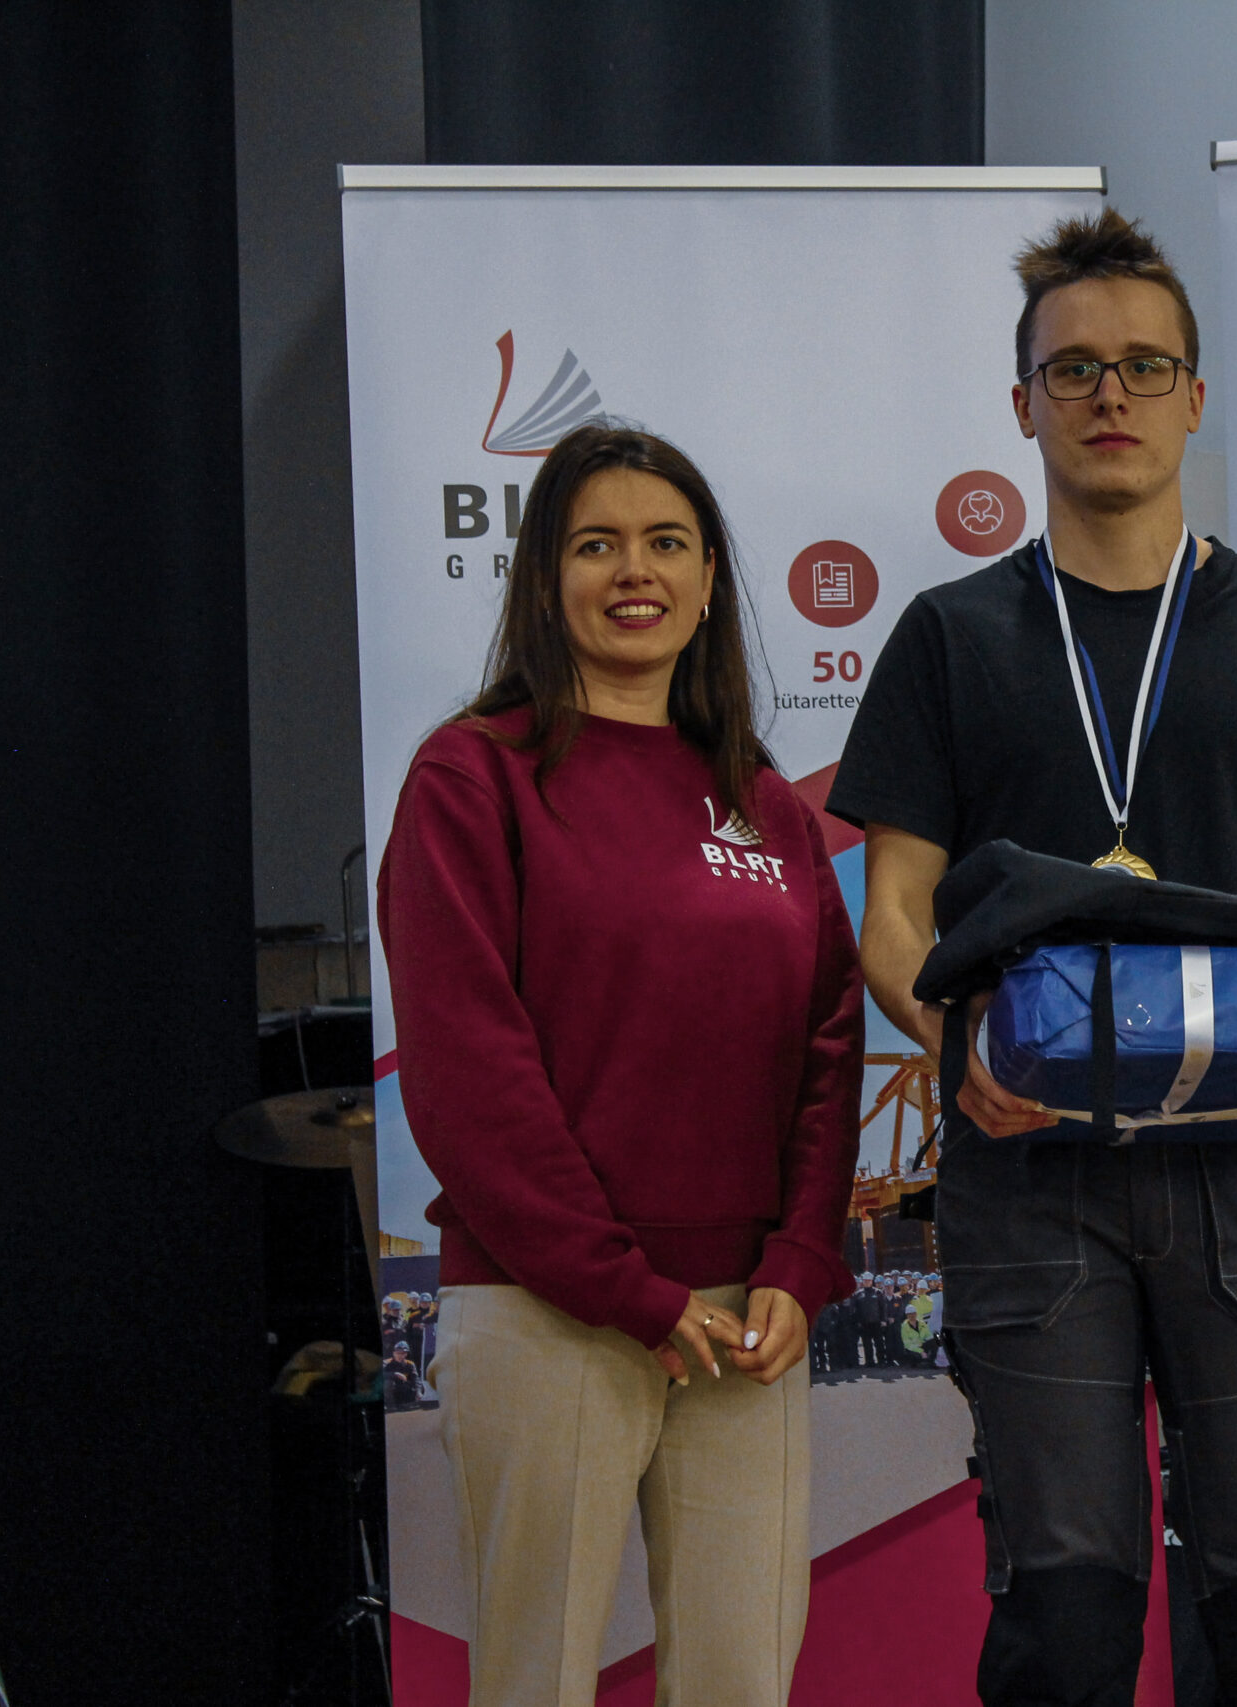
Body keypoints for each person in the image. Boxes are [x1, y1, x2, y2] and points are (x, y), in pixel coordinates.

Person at [829, 209, 1237, 1707]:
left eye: (1145, 365)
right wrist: (957, 1050)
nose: (1111, 394)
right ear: (1021, 403)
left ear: (1193, 398)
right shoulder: (948, 636)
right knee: (1064, 1619)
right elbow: (892, 918)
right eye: (1074, 368)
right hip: (1031, 1173)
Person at [380, 423, 863, 1707]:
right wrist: (621, 1287)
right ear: (545, 582)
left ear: (708, 583)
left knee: (740, 1682)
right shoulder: (472, 776)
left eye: (666, 543)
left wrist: (799, 1266)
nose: (633, 571)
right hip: (551, 1310)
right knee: (536, 1683)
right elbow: (468, 1071)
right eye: (596, 544)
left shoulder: (767, 803)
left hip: (746, 1327)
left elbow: (828, 1050)